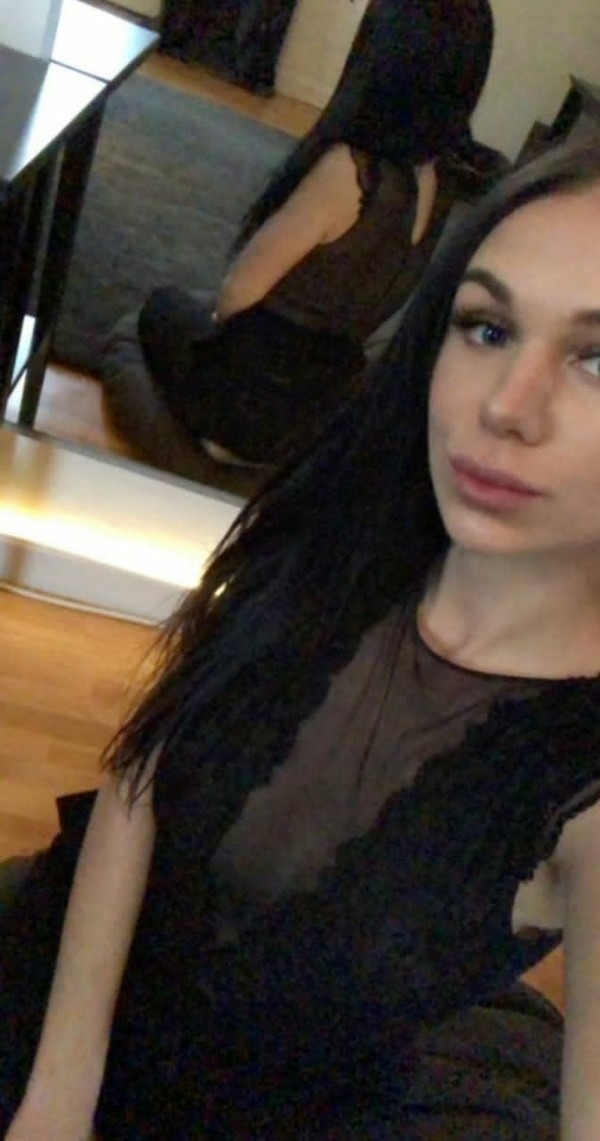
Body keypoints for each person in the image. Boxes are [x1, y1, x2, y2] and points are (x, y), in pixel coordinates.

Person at [4, 134, 600, 1139]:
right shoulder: (340, 539)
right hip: (58, 987)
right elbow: (143, 775)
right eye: (488, 327)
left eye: (597, 359)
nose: (506, 406)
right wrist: (61, 1092)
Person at [102, 0, 499, 472]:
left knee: (160, 308)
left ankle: (216, 443)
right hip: (318, 409)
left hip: (241, 404)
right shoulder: (441, 184)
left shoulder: (352, 172)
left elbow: (235, 295)